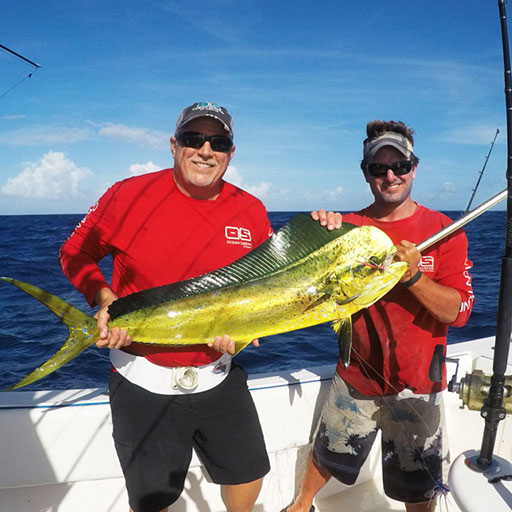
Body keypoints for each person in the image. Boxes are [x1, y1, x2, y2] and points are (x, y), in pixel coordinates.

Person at [58, 101, 272, 512]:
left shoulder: (252, 209)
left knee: (249, 472)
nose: (206, 150)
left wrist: (248, 329)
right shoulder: (126, 194)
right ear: (174, 145)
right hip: (142, 380)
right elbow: (74, 254)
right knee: (153, 499)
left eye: (219, 141)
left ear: (230, 153)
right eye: (194, 139)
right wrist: (103, 298)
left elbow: (263, 288)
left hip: (219, 374)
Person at [285, 120, 474, 512]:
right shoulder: (349, 229)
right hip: (357, 375)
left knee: (417, 488)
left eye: (399, 166)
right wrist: (316, 228)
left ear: (414, 167)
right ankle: (300, 506)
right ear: (366, 172)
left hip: (420, 384)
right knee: (327, 455)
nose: (390, 175)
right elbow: (302, 286)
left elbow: (459, 312)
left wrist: (413, 276)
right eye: (378, 168)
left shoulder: (445, 230)